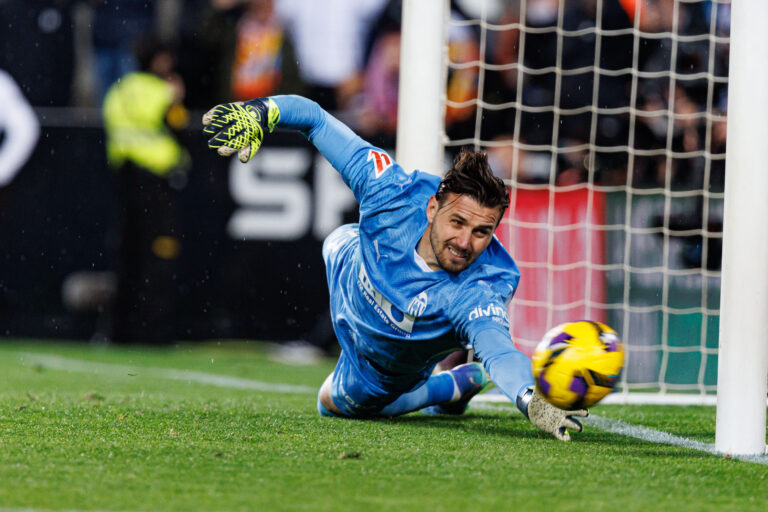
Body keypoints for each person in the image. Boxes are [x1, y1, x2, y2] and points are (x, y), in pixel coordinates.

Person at [202, 95, 587, 441]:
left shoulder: (479, 290)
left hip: (381, 366)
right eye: (457, 223)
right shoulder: (390, 189)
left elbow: (499, 351)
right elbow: (315, 118)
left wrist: (530, 398)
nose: (466, 243)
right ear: (432, 208)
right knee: (336, 241)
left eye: (482, 231)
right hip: (349, 267)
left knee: (330, 405)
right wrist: (261, 112)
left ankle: (447, 387)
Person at [103, 35, 189, 345]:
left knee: (127, 257)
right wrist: (176, 98)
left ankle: (119, 330)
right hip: (156, 182)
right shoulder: (161, 91)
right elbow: (179, 125)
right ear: (158, 60)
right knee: (160, 256)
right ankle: (154, 330)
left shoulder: (119, 89)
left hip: (123, 180)